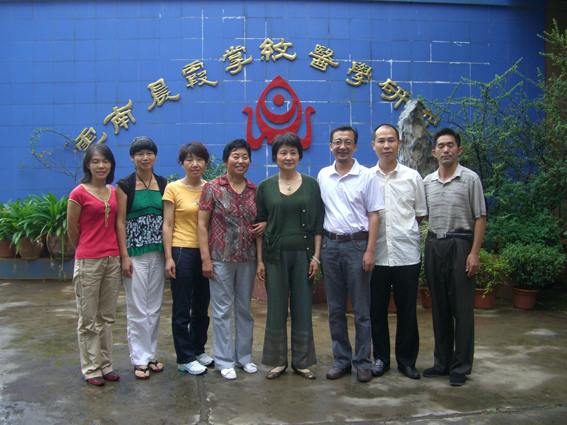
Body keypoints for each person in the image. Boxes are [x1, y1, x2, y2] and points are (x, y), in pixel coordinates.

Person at [317, 125, 385, 383]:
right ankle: (341, 360)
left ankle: (363, 361)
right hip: (330, 246)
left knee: (360, 309)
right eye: (337, 142)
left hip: (358, 246)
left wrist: (370, 250)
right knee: (335, 308)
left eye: (348, 142)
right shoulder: (323, 175)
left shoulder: (367, 176)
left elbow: (374, 215)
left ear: (355, 146)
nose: (342, 146)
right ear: (331, 146)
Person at [255, 132, 324, 380]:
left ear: (299, 155)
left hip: (304, 256)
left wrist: (316, 257)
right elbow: (259, 226)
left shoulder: (311, 185)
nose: (288, 157)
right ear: (275, 156)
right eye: (283, 152)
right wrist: (260, 260)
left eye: (293, 152)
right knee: (276, 308)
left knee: (302, 307)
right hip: (274, 256)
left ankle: (301, 361)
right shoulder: (265, 187)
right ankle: (277, 361)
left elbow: (318, 224)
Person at [423, 127, 486, 387]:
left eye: (450, 145)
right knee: (439, 308)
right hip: (434, 245)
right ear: (434, 152)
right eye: (441, 146)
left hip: (460, 245)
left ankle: (461, 366)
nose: (445, 149)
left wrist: (474, 253)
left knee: (462, 309)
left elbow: (480, 217)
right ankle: (442, 362)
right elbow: (423, 215)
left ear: (459, 150)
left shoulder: (470, 179)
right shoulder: (427, 182)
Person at [197, 139, 260, 380]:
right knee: (222, 310)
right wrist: (206, 259)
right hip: (220, 259)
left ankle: (244, 357)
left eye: (245, 157)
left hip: (247, 259)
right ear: (225, 160)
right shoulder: (212, 188)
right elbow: (202, 225)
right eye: (235, 156)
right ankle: (224, 361)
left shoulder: (254, 190)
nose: (240, 161)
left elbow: (259, 225)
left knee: (244, 309)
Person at [369, 124, 428, 380]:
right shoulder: (366, 177)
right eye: (381, 141)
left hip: (406, 254)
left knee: (407, 311)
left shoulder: (412, 177)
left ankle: (406, 361)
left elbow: (420, 214)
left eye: (391, 140)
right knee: (377, 311)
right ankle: (380, 359)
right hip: (377, 255)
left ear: (399, 144)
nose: (386, 145)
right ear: (373, 145)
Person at [67, 144, 121, 387]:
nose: (101, 166)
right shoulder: (78, 193)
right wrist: (85, 250)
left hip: (112, 259)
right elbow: (72, 229)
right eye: (96, 161)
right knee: (88, 317)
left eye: (105, 161)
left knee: (106, 316)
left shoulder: (113, 192)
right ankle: (91, 368)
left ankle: (106, 365)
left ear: (111, 165)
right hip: (88, 261)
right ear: (87, 165)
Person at [116, 137, 168, 380]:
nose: (145, 158)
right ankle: (139, 359)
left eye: (149, 153)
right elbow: (120, 222)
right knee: (137, 307)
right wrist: (124, 256)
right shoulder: (124, 185)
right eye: (140, 154)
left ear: (155, 156)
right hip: (134, 254)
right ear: (132, 157)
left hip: (158, 253)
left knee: (154, 307)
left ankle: (150, 355)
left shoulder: (163, 183)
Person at [162, 142, 213, 376]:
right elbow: (167, 225)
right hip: (181, 251)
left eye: (199, 159)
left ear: (205, 163)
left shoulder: (210, 188)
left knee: (202, 306)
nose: (195, 164)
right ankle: (184, 358)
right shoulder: (173, 188)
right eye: (189, 159)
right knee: (182, 308)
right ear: (181, 163)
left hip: (205, 253)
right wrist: (168, 258)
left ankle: (198, 349)